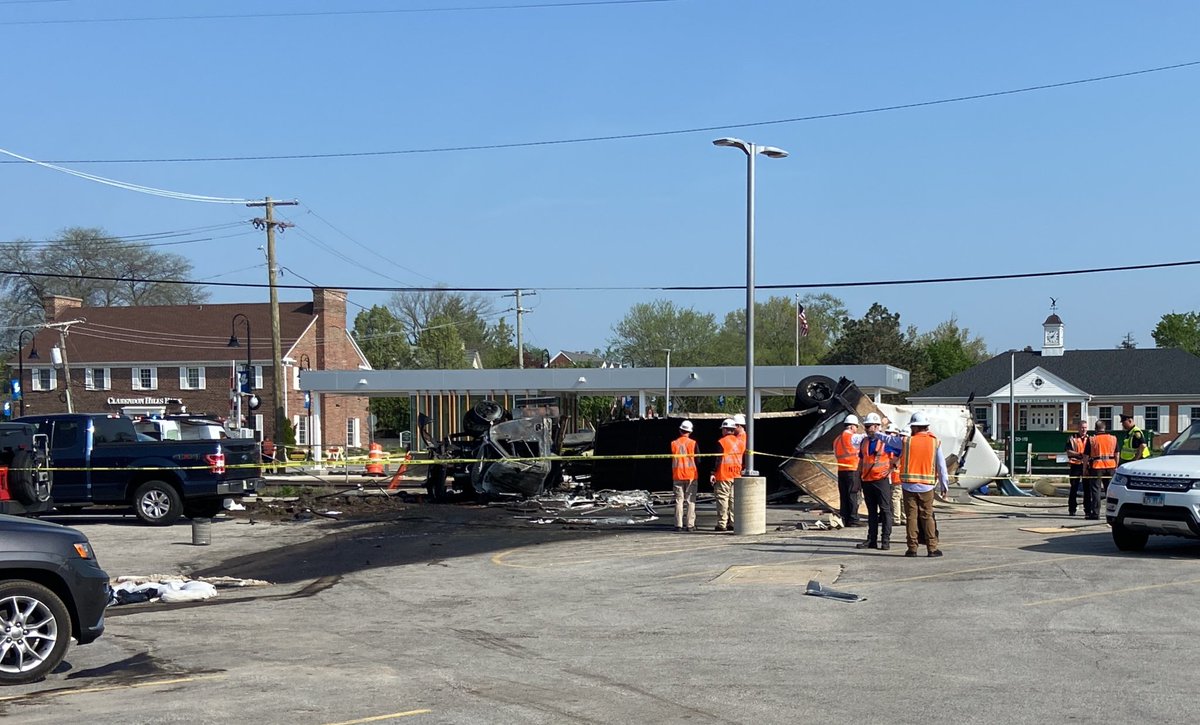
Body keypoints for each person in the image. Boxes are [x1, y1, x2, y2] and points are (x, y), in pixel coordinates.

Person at [887, 411, 949, 557]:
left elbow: (888, 440)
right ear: (926, 426)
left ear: (914, 427)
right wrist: (944, 486)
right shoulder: (935, 442)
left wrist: (876, 433)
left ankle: (912, 548)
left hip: (908, 485)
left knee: (911, 517)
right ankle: (932, 548)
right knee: (927, 516)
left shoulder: (906, 441)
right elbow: (941, 467)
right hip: (927, 486)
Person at [855, 413, 893, 550]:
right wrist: (858, 479)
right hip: (867, 480)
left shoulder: (886, 441)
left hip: (881, 480)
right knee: (872, 512)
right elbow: (861, 460)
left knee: (885, 510)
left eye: (869, 426)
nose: (866, 429)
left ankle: (885, 540)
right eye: (865, 426)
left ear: (877, 426)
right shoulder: (864, 442)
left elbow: (897, 456)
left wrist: (890, 470)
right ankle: (871, 540)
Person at [711, 419, 743, 532]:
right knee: (733, 500)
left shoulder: (722, 442)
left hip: (723, 475)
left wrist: (713, 473)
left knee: (722, 500)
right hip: (736, 474)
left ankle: (722, 523)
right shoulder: (740, 442)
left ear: (725, 429)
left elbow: (718, 459)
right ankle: (733, 522)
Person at [833, 414, 866, 527]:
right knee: (853, 494)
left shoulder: (837, 440)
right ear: (852, 426)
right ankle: (853, 519)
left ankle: (844, 518)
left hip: (841, 470)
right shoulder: (852, 437)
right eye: (856, 427)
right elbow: (866, 437)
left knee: (844, 495)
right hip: (852, 469)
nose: (856, 429)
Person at [1086, 420, 1118, 519]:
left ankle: (1095, 513)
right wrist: (1116, 466)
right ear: (1104, 428)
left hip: (1097, 467)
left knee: (1096, 491)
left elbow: (1086, 456)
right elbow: (1117, 454)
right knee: (1111, 491)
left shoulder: (1092, 439)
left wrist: (1085, 469)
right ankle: (1112, 513)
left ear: (1096, 429)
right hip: (1110, 466)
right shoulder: (1113, 438)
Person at [671, 420, 699, 532]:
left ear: (680, 430)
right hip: (691, 475)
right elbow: (698, 459)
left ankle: (678, 524)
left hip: (677, 475)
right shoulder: (693, 443)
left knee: (679, 500)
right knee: (690, 500)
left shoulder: (673, 443)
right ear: (690, 431)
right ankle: (690, 525)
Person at [1065, 419, 1089, 516]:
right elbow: (1068, 451)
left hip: (1086, 466)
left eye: (1085, 428)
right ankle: (1072, 509)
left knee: (1087, 489)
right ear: (1078, 428)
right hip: (1075, 465)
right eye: (1082, 428)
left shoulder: (1090, 438)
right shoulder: (1072, 438)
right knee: (1073, 488)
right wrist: (1081, 454)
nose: (1083, 430)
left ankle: (1087, 510)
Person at [886, 423, 906, 527]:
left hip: (896, 477)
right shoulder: (905, 447)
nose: (889, 435)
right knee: (902, 498)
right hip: (903, 478)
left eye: (890, 433)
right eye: (887, 433)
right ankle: (903, 517)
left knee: (895, 498)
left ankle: (896, 518)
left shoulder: (893, 448)